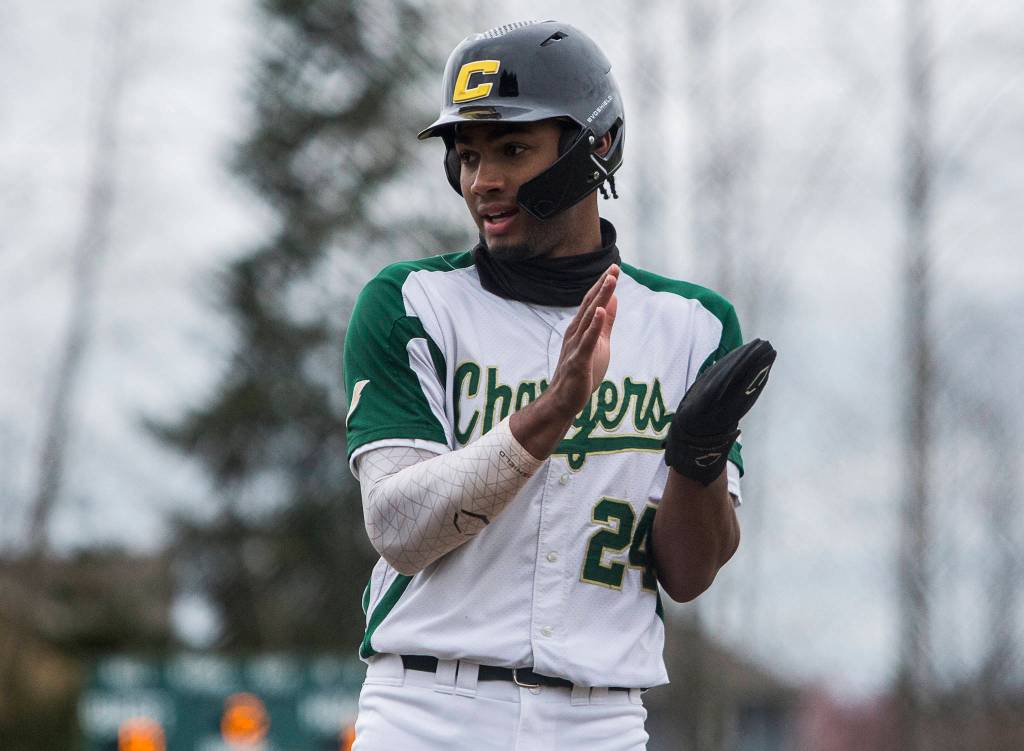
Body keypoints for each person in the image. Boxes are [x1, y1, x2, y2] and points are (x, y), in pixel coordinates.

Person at [343, 20, 775, 751]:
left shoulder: (693, 326)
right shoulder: (410, 301)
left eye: (513, 148)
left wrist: (697, 458)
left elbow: (689, 572)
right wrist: (550, 414)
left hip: (599, 719)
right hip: (426, 709)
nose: (483, 180)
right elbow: (398, 529)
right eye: (469, 154)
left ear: (594, 148)